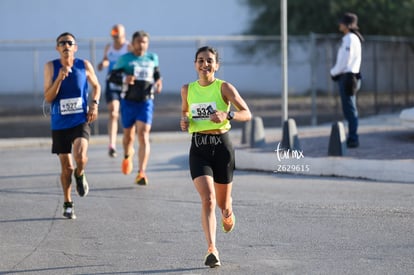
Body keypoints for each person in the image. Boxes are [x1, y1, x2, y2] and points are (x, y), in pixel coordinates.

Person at [180, 46, 252, 268]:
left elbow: (247, 113)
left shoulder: (225, 88)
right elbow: (185, 111)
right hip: (199, 148)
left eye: (209, 61)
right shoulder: (187, 89)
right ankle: (212, 249)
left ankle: (228, 211)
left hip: (222, 148)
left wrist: (227, 114)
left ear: (216, 65)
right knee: (208, 199)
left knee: (222, 203)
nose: (205, 64)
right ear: (195, 64)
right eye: (200, 60)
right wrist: (184, 121)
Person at [44, 32, 101, 219]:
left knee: (81, 155)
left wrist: (94, 103)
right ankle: (68, 202)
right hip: (60, 123)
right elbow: (49, 97)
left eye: (70, 42)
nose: (66, 45)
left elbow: (97, 86)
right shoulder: (51, 67)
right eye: (62, 43)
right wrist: (59, 79)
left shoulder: (83, 65)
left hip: (80, 120)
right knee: (66, 167)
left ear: (75, 47)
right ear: (57, 48)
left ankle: (81, 173)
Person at [108, 30, 162, 185]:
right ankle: (127, 155)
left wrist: (158, 82)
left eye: (144, 42)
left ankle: (141, 172)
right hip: (128, 102)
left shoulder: (152, 58)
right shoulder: (125, 59)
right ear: (132, 43)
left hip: (145, 101)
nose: (141, 45)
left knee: (143, 134)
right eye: (138, 41)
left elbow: (157, 74)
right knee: (128, 136)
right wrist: (125, 78)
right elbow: (111, 76)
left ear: (147, 44)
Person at [97, 24, 132, 158]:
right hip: (111, 83)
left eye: (118, 33)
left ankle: (127, 143)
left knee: (126, 115)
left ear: (123, 34)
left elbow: (134, 61)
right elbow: (106, 60)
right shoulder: (109, 47)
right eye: (113, 33)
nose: (115, 35)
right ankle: (112, 145)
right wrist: (102, 64)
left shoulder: (128, 47)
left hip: (125, 84)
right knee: (113, 112)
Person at [330, 12, 364, 148]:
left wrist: (333, 72)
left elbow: (345, 60)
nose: (340, 24)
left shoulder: (350, 38)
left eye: (342, 22)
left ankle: (353, 139)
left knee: (350, 110)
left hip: (348, 77)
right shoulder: (351, 38)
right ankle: (352, 137)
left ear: (347, 25)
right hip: (351, 77)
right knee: (350, 109)